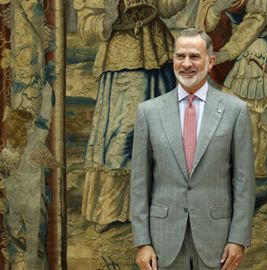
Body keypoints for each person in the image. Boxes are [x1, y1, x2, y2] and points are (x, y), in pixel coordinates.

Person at [130, 28, 256, 270]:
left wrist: (238, 239)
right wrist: (142, 242)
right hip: (162, 241)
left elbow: (244, 182)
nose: (186, 64)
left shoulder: (235, 110)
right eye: (180, 56)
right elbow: (139, 183)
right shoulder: (148, 112)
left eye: (194, 57)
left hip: (217, 241)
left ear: (210, 62)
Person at [76, 0, 184, 233]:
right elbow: (86, 27)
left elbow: (167, 7)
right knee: (123, 132)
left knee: (162, 133)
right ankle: (112, 209)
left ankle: (160, 206)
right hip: (121, 61)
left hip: (157, 56)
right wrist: (107, 17)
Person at [196, 0, 267, 178]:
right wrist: (218, 8)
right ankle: (253, 166)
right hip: (253, 51)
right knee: (249, 112)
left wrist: (226, 54)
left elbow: (255, 21)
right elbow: (208, 20)